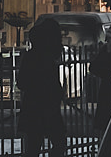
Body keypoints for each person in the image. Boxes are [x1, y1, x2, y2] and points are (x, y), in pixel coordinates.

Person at [17, 17, 67, 157]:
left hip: (35, 108)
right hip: (45, 107)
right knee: (57, 142)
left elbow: (22, 82)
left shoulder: (34, 56)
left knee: (34, 146)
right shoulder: (46, 58)